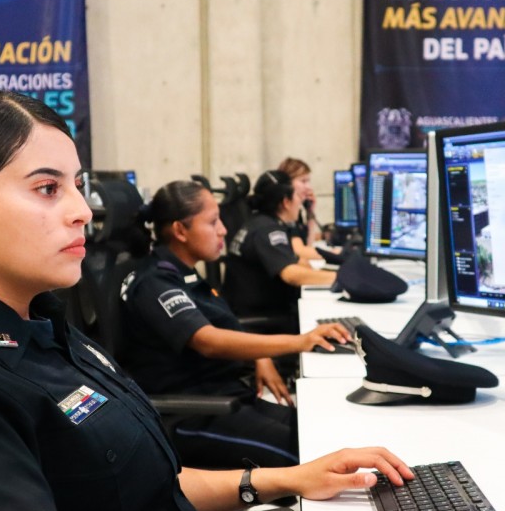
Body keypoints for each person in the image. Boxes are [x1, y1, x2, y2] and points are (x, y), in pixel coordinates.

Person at [0, 90, 415, 511]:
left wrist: (284, 479)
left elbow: (150, 486)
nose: (83, 211)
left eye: (78, 186)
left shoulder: (45, 326)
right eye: (47, 188)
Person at [118, 180, 350, 468]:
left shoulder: (182, 273)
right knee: (315, 458)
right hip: (192, 414)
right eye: (213, 222)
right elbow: (208, 341)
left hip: (226, 397)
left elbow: (219, 323)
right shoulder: (155, 283)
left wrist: (261, 356)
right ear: (180, 230)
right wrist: (302, 341)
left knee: (327, 432)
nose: (223, 230)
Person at [223, 170, 336, 328]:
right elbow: (292, 275)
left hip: (251, 309)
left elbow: (295, 261)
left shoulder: (259, 222)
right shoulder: (268, 231)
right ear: (286, 202)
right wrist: (341, 278)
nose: (300, 202)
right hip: (264, 317)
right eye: (297, 196)